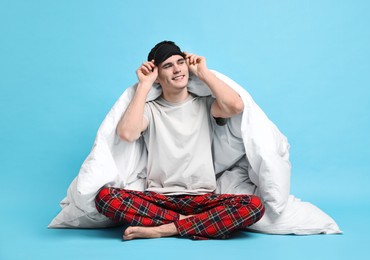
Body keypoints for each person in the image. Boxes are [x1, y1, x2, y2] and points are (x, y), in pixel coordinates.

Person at [94, 41, 264, 240]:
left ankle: (164, 229)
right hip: (159, 199)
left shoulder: (206, 104)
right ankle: (195, 223)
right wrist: (144, 85)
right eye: (168, 66)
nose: (177, 69)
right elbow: (127, 134)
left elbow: (235, 106)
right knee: (105, 198)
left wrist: (203, 72)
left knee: (254, 206)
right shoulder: (149, 109)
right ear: (157, 75)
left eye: (180, 62)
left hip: (203, 198)